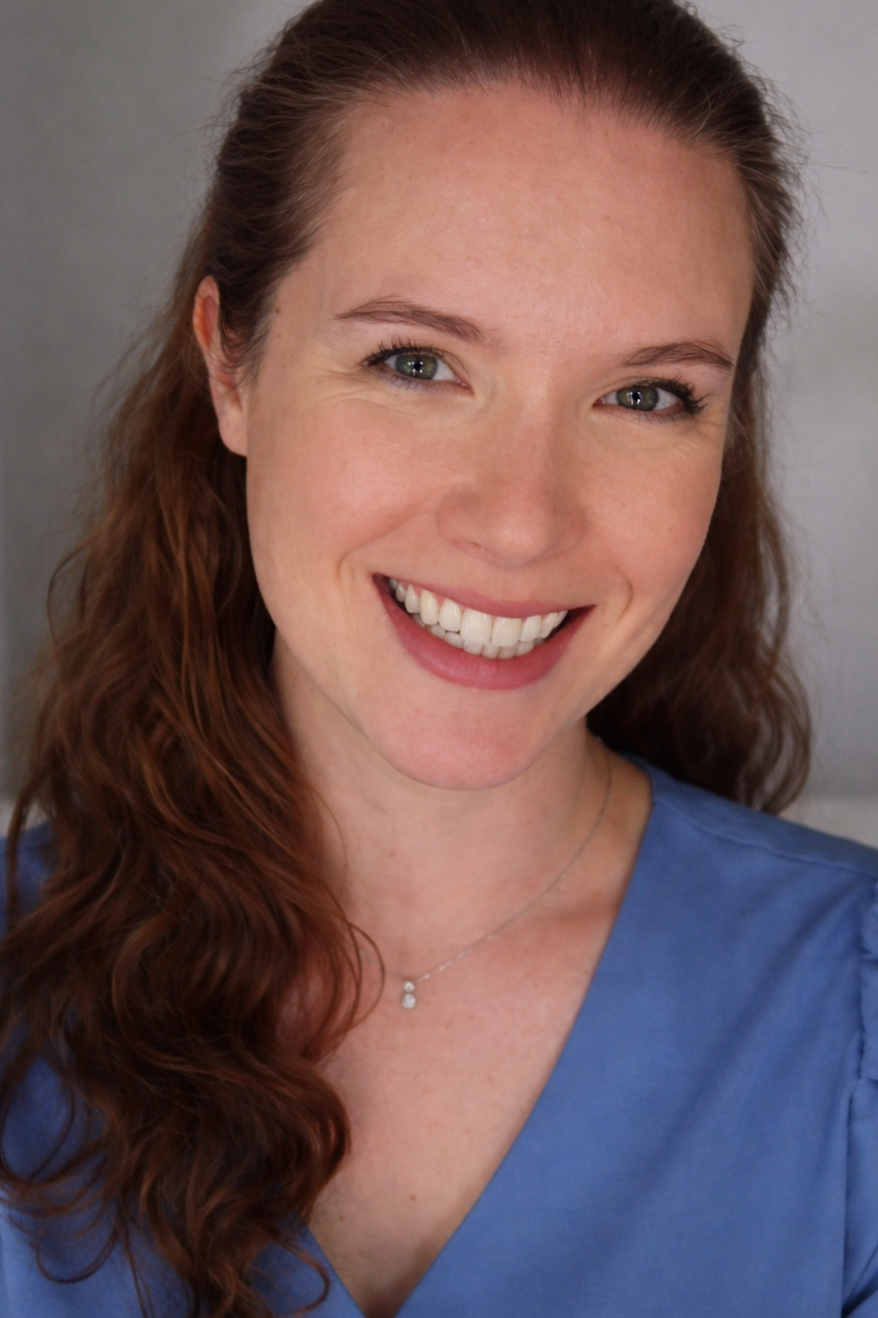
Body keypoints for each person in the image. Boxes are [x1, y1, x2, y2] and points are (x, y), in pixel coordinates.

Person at [1, 0, 877, 1314]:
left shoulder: (852, 1022)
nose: (520, 519)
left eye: (646, 394)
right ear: (230, 365)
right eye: (416, 361)